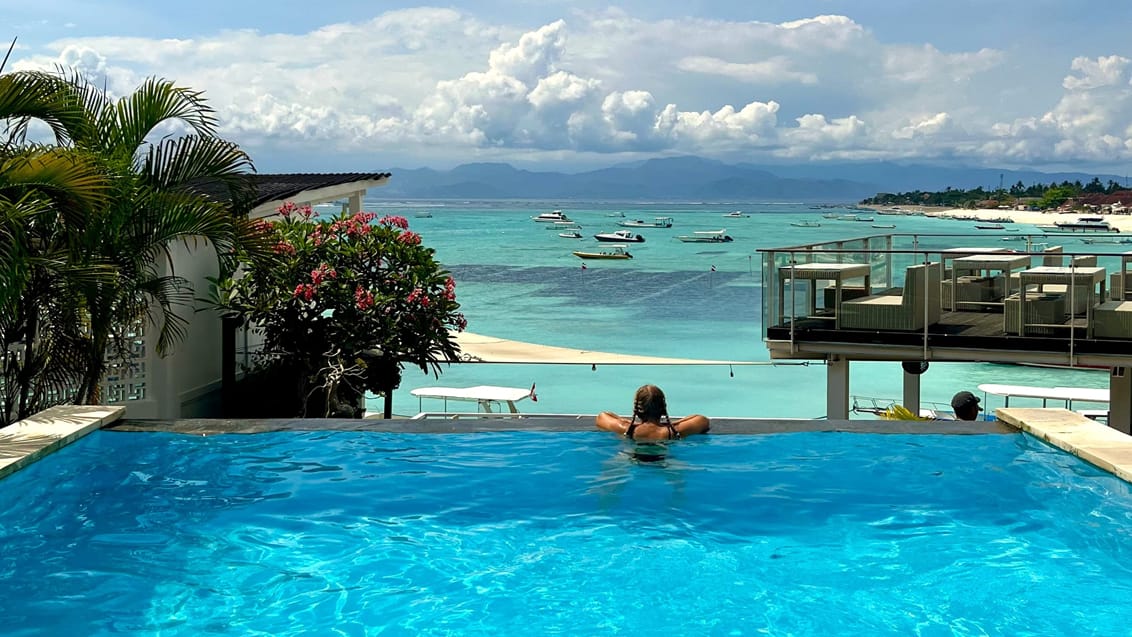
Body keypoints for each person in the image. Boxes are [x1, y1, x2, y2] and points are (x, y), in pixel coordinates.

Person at [596, 384, 710, 440]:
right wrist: (671, 424)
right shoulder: (673, 431)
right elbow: (702, 420)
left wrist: (627, 422)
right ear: (663, 408)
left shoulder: (626, 429)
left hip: (631, 458)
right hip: (666, 461)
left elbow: (602, 416)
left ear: (637, 409)